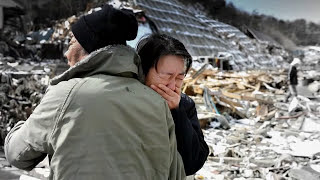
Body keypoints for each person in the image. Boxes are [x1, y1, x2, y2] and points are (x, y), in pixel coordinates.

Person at [5, 5, 185, 180]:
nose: (67, 53)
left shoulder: (66, 95)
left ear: (87, 49)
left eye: (72, 43)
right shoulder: (156, 103)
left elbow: (17, 154)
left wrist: (24, 125)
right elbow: (175, 174)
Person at [137, 34, 209, 176]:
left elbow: (193, 163)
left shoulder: (185, 105)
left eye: (179, 78)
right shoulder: (126, 101)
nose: (172, 85)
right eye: (166, 76)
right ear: (143, 71)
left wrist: (177, 113)